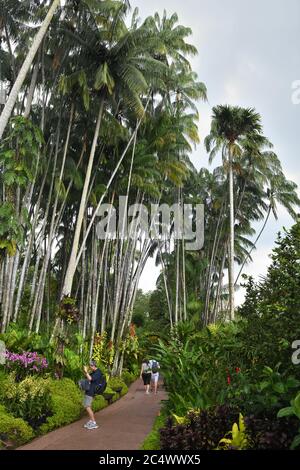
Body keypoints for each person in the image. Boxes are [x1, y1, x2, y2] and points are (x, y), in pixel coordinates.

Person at [82, 360, 102, 429]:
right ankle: (91, 421)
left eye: (90, 366)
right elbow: (87, 377)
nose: (90, 367)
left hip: (91, 392)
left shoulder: (98, 372)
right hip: (89, 391)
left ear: (94, 366)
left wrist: (86, 372)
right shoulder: (94, 372)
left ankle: (94, 422)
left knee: (87, 406)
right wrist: (85, 371)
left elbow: (90, 378)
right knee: (87, 406)